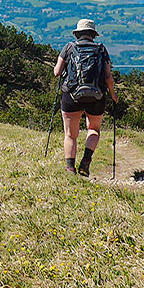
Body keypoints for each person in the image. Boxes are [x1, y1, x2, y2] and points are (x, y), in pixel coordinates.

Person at [53, 18, 118, 176]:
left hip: (71, 95)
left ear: (77, 34)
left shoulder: (69, 47)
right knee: (94, 129)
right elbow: (108, 77)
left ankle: (70, 168)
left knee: (70, 134)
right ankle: (85, 162)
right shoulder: (101, 49)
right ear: (93, 35)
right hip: (96, 96)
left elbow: (57, 73)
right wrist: (113, 94)